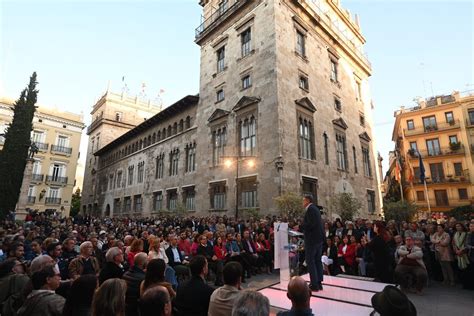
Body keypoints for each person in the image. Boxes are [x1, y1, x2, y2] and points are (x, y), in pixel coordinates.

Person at [301, 195, 324, 291]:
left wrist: (301, 226)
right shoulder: (315, 209)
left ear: (307, 200)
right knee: (317, 260)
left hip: (312, 240)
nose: (302, 202)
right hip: (318, 239)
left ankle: (314, 284)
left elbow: (311, 224)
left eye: (303, 200)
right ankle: (318, 282)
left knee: (310, 261)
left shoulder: (310, 209)